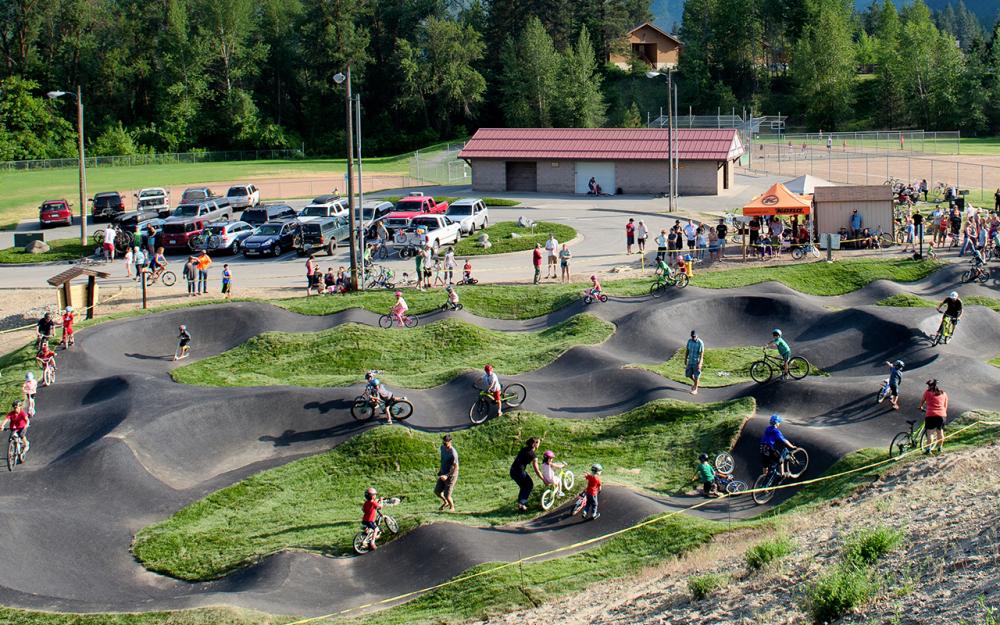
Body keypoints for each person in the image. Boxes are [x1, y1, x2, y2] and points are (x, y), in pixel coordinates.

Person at [510, 437, 543, 511]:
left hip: (512, 471)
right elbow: (537, 470)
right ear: (534, 444)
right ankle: (521, 503)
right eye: (538, 443)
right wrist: (543, 479)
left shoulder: (524, 449)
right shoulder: (533, 455)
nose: (539, 445)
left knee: (523, 486)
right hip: (519, 472)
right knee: (529, 484)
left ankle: (521, 504)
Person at [919, 379, 948, 454]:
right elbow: (945, 405)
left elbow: (922, 400)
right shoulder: (943, 393)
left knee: (930, 433)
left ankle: (929, 449)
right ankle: (940, 448)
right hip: (941, 415)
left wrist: (920, 406)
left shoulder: (927, 392)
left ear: (930, 386)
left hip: (931, 414)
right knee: (940, 432)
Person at [435, 434, 458, 512]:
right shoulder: (442, 448)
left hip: (451, 475)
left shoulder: (453, 453)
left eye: (446, 443)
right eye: (443, 443)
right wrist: (441, 471)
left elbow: (456, 467)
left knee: (447, 495)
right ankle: (445, 502)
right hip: (443, 473)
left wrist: (447, 475)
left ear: (450, 441)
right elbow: (443, 460)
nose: (444, 444)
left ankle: (452, 507)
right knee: (437, 491)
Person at [685, 330, 705, 395]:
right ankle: (696, 383)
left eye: (694, 336)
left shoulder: (700, 343)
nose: (693, 337)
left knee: (696, 376)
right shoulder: (689, 341)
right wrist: (685, 359)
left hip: (696, 362)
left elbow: (701, 355)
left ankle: (695, 389)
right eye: (692, 336)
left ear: (697, 336)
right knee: (688, 374)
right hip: (690, 361)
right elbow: (687, 350)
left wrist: (700, 364)